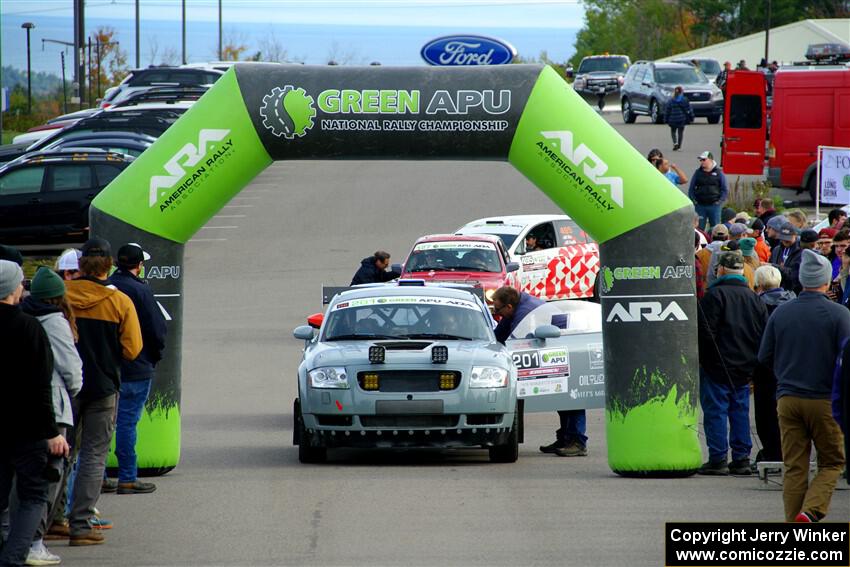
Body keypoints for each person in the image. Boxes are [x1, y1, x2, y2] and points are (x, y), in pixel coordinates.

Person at [758, 250, 849, 522]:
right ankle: (811, 511)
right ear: (825, 281)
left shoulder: (782, 313)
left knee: (794, 466)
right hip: (824, 399)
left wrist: (784, 372)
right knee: (832, 461)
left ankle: (793, 526)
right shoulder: (839, 314)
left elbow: (764, 356)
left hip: (788, 398)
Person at [64, 238, 142, 546]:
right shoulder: (120, 301)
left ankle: (54, 518)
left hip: (66, 389)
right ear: (108, 265)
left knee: (62, 452)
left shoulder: (63, 297)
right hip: (103, 385)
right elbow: (133, 349)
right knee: (94, 454)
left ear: (80, 266)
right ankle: (81, 523)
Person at [0, 260, 70, 567]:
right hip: (27, 428)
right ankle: (13, 558)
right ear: (12, 289)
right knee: (33, 495)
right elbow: (41, 386)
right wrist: (52, 431)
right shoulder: (28, 327)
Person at [20, 267, 83, 566]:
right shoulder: (55, 322)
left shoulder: (22, 315)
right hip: (54, 409)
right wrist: (76, 388)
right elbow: (71, 369)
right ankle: (34, 542)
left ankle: (18, 538)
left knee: (21, 480)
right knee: (49, 477)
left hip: (23, 406)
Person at [490, 287, 587, 458]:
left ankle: (578, 442)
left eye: (498, 310)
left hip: (567, 351)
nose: (497, 314)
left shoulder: (525, 314)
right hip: (555, 351)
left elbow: (516, 341)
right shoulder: (515, 306)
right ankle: (565, 438)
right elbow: (498, 334)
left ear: (509, 307)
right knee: (562, 399)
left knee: (572, 398)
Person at [697, 250, 767, 475]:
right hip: (745, 364)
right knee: (740, 410)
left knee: (716, 411)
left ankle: (718, 457)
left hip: (717, 365)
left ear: (720, 270)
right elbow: (762, 333)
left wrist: (706, 361)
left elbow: (706, 333)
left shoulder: (714, 296)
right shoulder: (754, 299)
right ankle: (741, 457)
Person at [104, 243, 167, 496]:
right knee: (127, 423)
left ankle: (98, 475)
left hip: (106, 366)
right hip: (136, 365)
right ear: (139, 266)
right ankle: (128, 477)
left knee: (101, 425)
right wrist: (154, 356)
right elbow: (156, 329)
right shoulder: (140, 290)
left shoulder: (107, 287)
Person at [752, 265, 795, 468]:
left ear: (758, 285)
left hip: (766, 367)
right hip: (792, 366)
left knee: (766, 413)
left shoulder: (757, 305)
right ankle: (789, 451)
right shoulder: (793, 301)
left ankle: (772, 451)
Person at [688, 151, 728, 231]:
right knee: (699, 228)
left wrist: (719, 201)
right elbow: (691, 188)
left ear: (710, 159)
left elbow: (724, 189)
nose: (701, 162)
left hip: (714, 206)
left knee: (716, 228)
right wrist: (694, 200)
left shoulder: (719, 173)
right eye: (701, 160)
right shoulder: (697, 173)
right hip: (700, 206)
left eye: (704, 159)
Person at [769, 222, 802, 293]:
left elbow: (795, 275)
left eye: (788, 238)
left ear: (795, 235)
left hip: (793, 292)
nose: (785, 241)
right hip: (777, 291)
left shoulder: (801, 251)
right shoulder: (776, 250)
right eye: (783, 238)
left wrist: (776, 267)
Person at [664, 86, 694, 151]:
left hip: (672, 119)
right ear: (681, 91)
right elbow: (688, 109)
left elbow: (667, 111)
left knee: (673, 131)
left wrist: (666, 119)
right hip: (682, 119)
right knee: (680, 132)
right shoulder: (685, 100)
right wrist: (691, 117)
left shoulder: (671, 100)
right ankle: (679, 146)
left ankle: (675, 143)